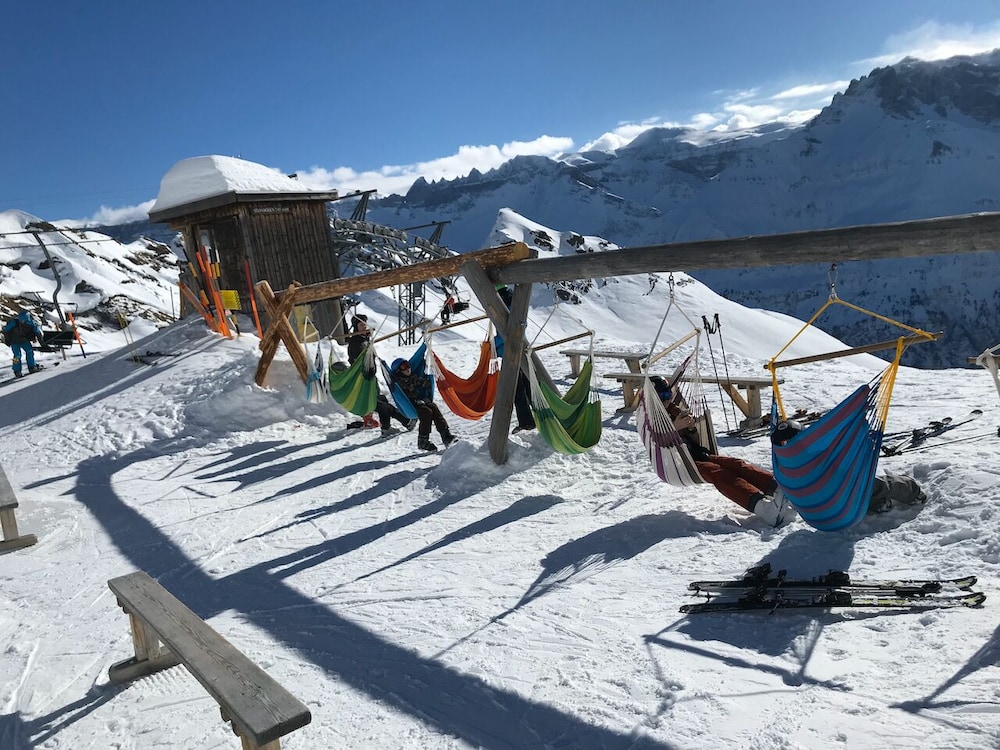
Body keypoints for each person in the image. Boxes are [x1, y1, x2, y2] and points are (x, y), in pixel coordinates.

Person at [650, 376, 794, 527]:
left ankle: (781, 490)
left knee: (736, 464)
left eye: (668, 394)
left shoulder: (674, 410)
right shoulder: (652, 419)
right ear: (653, 398)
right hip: (678, 463)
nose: (666, 399)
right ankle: (763, 509)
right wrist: (675, 428)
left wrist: (691, 428)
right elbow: (658, 444)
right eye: (662, 396)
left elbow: (695, 440)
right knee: (719, 473)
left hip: (697, 454)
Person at [390, 357, 455, 452]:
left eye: (408, 365)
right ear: (398, 371)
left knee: (433, 407)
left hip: (419, 403)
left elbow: (424, 383)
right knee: (426, 412)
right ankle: (423, 441)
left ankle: (446, 436)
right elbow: (402, 396)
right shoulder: (398, 383)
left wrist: (427, 375)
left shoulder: (412, 378)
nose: (408, 369)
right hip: (410, 406)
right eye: (404, 367)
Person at [495, 284, 536, 434]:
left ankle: (526, 422)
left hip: (511, 351)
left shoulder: (500, 304)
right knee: (528, 384)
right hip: (521, 346)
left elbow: (505, 333)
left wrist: (494, 345)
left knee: (517, 388)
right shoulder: (514, 301)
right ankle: (541, 415)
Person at [3, 311, 43, 379]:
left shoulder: (15, 322)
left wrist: (7, 340)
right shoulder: (30, 322)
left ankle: (18, 371)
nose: (22, 322)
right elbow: (37, 332)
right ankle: (31, 367)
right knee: (25, 353)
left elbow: (6, 330)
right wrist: (42, 343)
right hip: (17, 341)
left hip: (17, 341)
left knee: (18, 355)